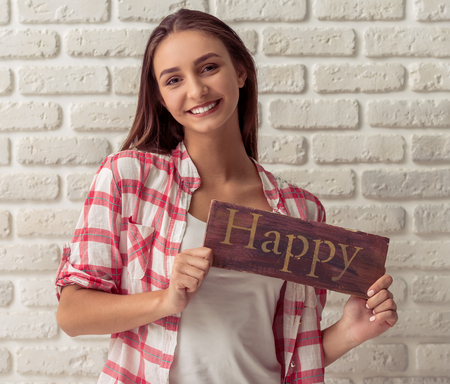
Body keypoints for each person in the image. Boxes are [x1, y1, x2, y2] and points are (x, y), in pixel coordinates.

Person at [55, 9, 398, 384]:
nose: (196, 90)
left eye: (208, 68)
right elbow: (72, 314)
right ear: (161, 97)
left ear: (240, 71)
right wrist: (165, 299)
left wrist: (349, 332)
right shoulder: (129, 178)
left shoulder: (302, 210)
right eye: (174, 79)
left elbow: (288, 352)